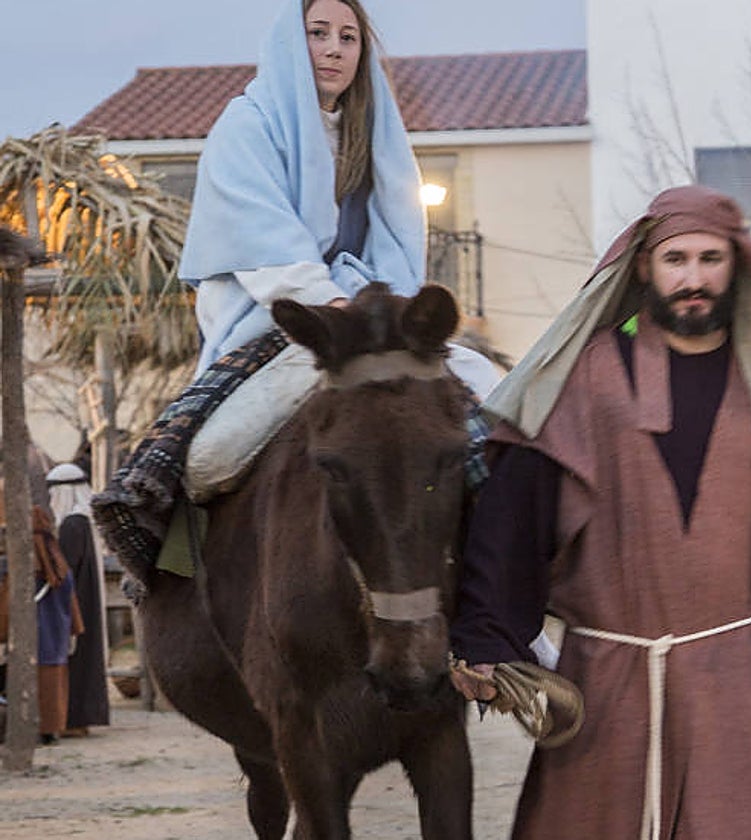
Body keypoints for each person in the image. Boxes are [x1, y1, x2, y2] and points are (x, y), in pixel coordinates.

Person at [449, 185, 751, 840]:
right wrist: (485, 639)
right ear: (645, 268)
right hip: (607, 692)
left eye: (710, 259)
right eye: (676, 259)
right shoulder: (589, 378)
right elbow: (511, 521)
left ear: (735, 267)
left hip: (736, 691)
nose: (693, 279)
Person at [96, 0, 497, 586]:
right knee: (206, 458)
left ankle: (503, 595)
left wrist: (382, 314)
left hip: (373, 321)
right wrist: (332, 309)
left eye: (348, 37)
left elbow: (396, 234)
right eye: (318, 33)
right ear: (291, 40)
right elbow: (263, 239)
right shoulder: (246, 125)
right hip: (275, 323)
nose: (334, 48)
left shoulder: (374, 132)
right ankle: (176, 584)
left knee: (491, 401)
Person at [47, 463, 110, 735]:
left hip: (75, 603)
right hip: (82, 599)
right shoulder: (83, 519)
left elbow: (65, 566)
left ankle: (74, 720)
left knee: (77, 658)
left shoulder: (74, 523)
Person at [32, 503, 85, 745]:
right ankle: (51, 729)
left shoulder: (33, 560)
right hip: (56, 632)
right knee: (52, 676)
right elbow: (68, 592)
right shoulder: (57, 557)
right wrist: (75, 627)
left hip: (42, 631)